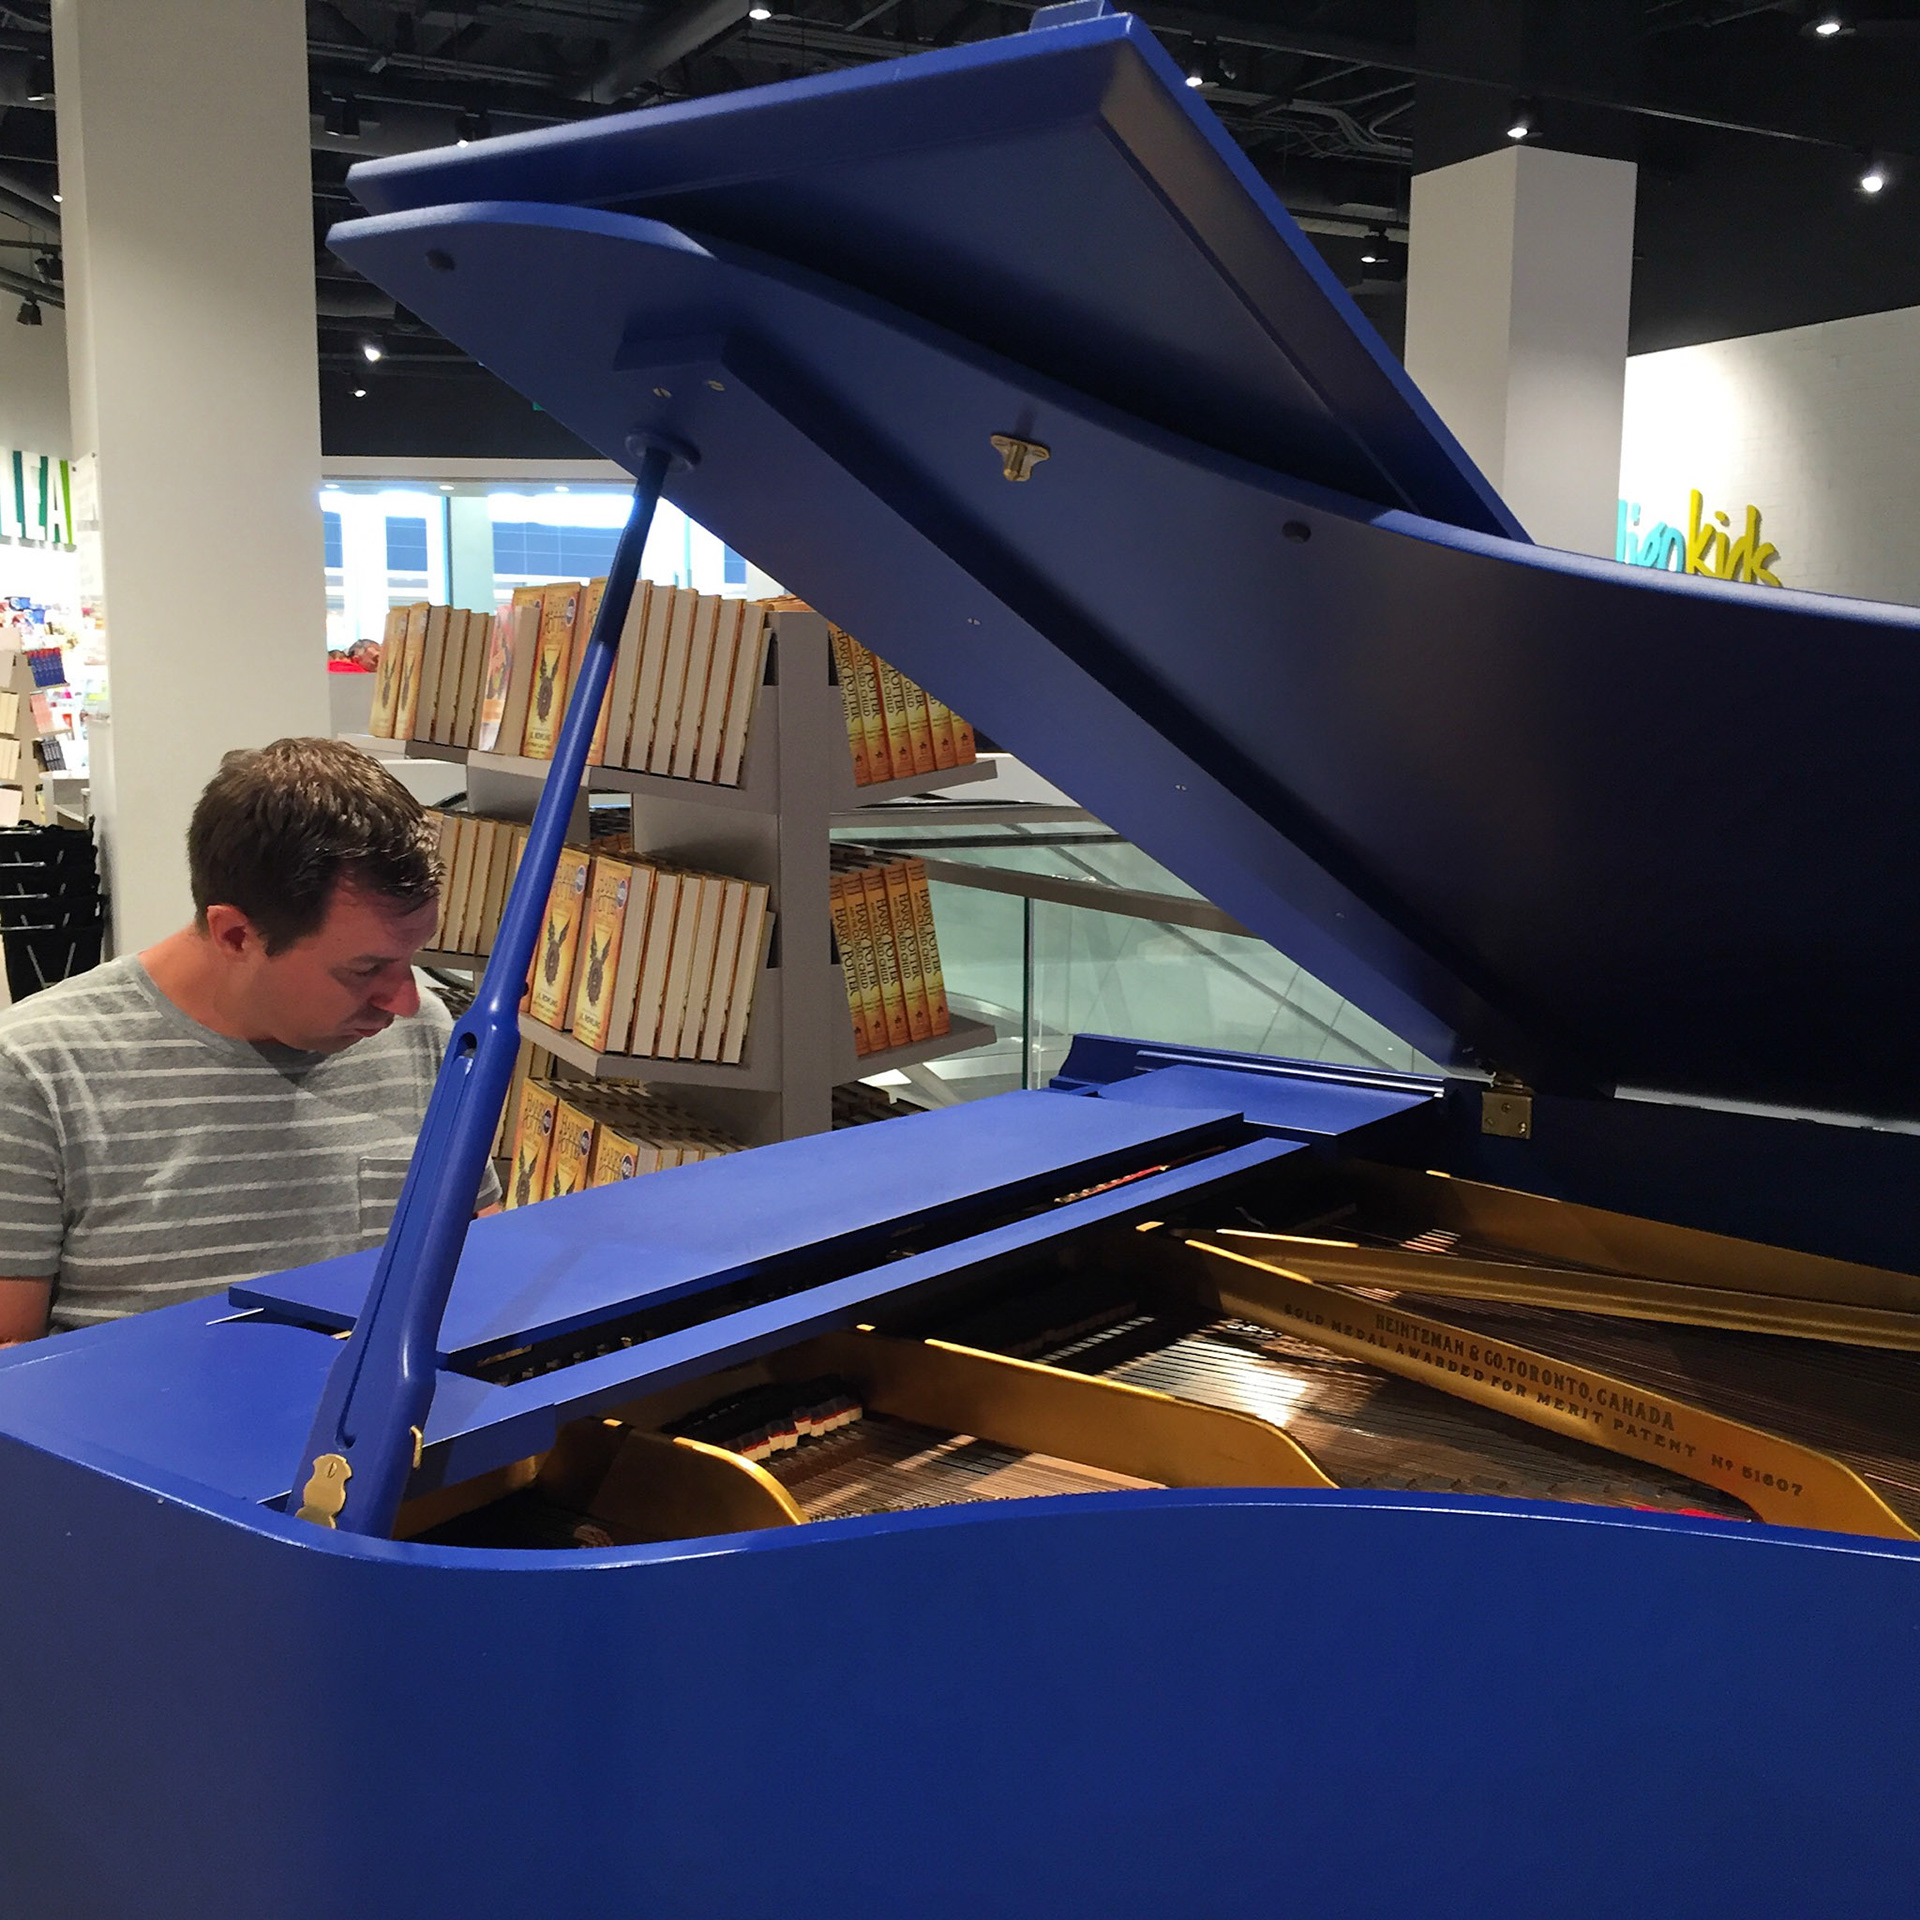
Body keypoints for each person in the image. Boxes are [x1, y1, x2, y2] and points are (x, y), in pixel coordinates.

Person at [0, 737, 497, 1343]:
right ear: (235, 935)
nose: (406, 999)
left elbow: (475, 1262)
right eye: (366, 970)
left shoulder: (425, 1032)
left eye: (411, 958)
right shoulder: (32, 1072)